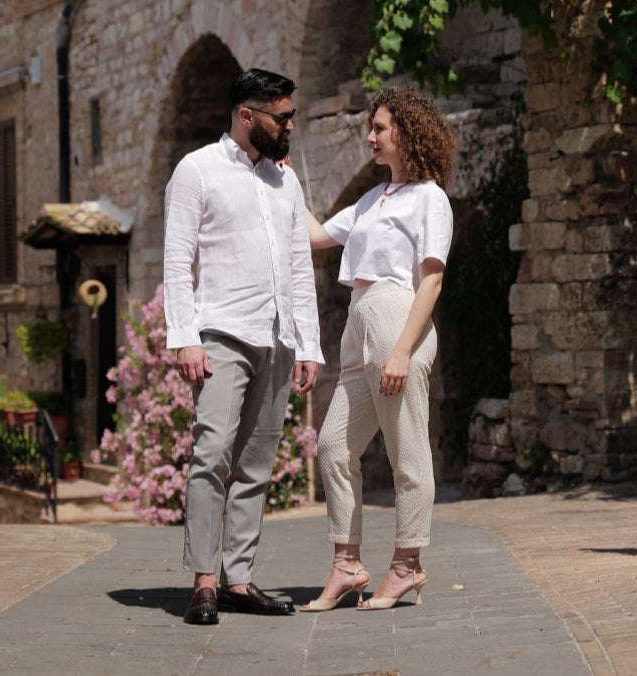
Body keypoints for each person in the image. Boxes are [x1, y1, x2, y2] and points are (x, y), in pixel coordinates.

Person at [163, 67, 323, 626]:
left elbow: (299, 266)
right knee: (211, 455)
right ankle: (204, 584)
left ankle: (238, 580)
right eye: (283, 117)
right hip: (222, 334)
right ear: (247, 115)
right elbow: (176, 260)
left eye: (292, 116)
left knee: (256, 464)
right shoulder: (197, 170)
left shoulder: (286, 182)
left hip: (277, 338)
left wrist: (308, 343)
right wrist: (184, 337)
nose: (290, 126)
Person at [301, 87, 454, 612]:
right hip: (359, 323)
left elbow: (431, 280)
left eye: (380, 128)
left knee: (406, 451)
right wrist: (282, 180)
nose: (371, 136)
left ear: (406, 133)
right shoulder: (372, 200)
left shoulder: (430, 198)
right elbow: (316, 235)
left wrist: (402, 350)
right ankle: (347, 565)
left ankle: (407, 565)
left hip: (397, 322)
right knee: (333, 447)